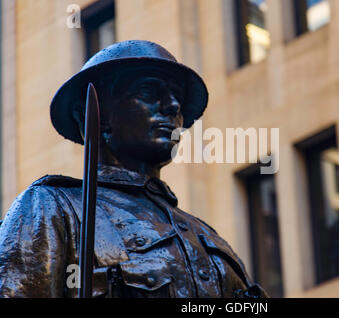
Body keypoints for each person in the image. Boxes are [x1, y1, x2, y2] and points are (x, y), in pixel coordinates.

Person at [0, 40, 267, 298]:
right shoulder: (52, 208)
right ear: (96, 116)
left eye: (178, 98)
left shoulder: (208, 237)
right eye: (149, 92)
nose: (173, 106)